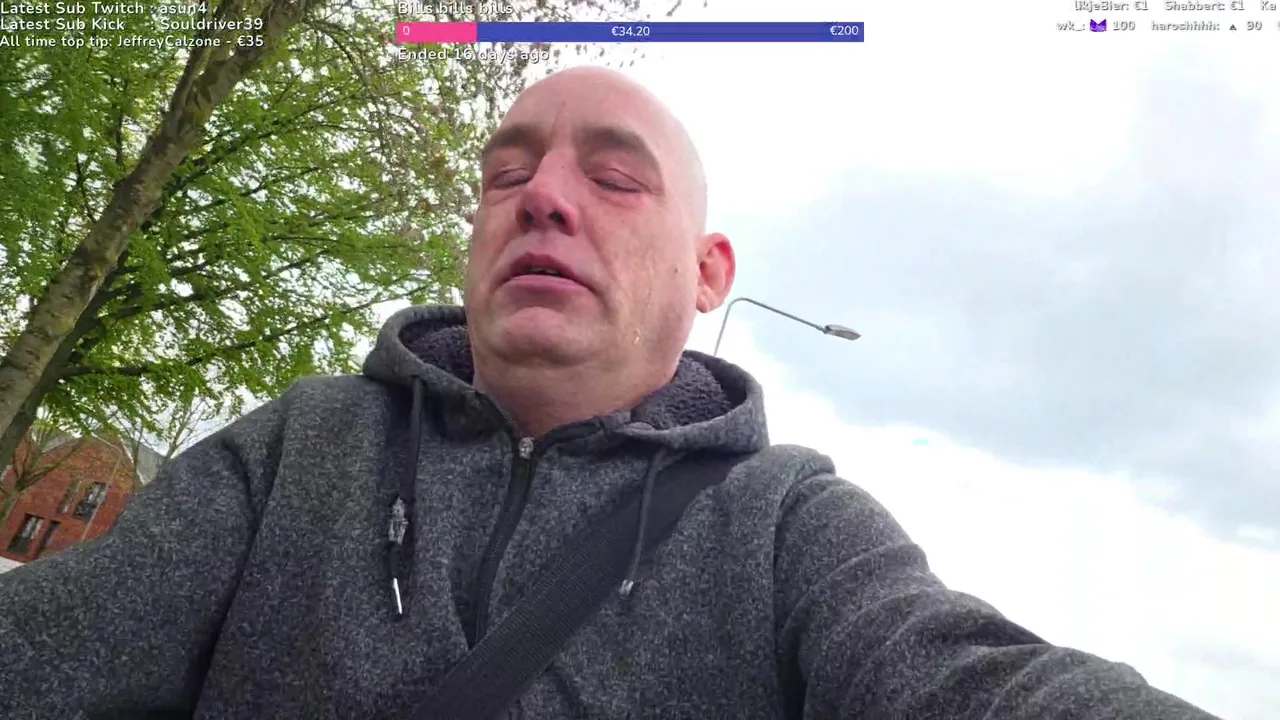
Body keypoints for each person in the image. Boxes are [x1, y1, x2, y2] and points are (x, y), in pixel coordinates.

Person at [0, 66, 1219, 719]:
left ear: (708, 274)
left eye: (615, 180)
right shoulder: (299, 448)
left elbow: (963, 678)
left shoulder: (789, 525)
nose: (541, 197)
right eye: (507, 175)